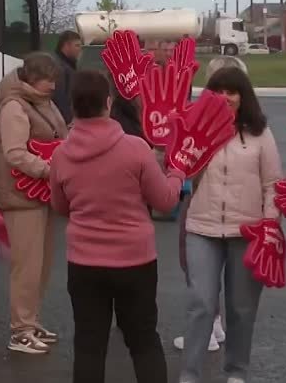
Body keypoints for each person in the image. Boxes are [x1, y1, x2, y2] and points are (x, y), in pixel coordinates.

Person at [50, 70, 185, 383]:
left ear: (73, 107)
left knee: (88, 345)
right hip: (134, 261)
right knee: (143, 341)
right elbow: (165, 201)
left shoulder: (61, 154)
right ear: (108, 103)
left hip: (84, 262)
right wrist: (176, 174)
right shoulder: (136, 148)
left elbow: (59, 206)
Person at [179, 66, 283, 383]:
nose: (225, 97)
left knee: (241, 308)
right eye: (218, 91)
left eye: (232, 91)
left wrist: (269, 224)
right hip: (202, 228)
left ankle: (236, 371)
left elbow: (273, 184)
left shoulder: (259, 133)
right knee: (201, 304)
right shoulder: (195, 129)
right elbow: (176, 171)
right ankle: (190, 374)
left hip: (247, 231)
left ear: (243, 96)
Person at [0, 52, 69, 354]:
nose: (53, 85)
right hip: (21, 196)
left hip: (41, 194)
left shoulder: (40, 101)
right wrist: (51, 169)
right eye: (47, 79)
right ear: (31, 77)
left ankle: (31, 321)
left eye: (54, 80)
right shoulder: (15, 106)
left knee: (42, 264)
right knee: (26, 266)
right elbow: (14, 153)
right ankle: (20, 329)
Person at [173, 56, 247, 353]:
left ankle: (209, 326)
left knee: (198, 265)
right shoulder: (252, 123)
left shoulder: (206, 120)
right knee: (220, 271)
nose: (223, 96)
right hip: (233, 206)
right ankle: (216, 323)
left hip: (205, 205)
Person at [52, 31, 82, 125]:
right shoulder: (59, 66)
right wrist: (68, 121)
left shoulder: (67, 65)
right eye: (77, 45)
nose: (80, 49)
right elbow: (60, 97)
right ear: (66, 45)